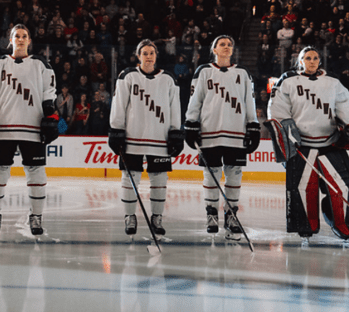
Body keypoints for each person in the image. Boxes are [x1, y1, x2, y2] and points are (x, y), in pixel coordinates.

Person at [266, 46, 349, 242]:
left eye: (315, 58)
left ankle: (345, 223)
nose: (312, 61)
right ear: (300, 61)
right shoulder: (287, 81)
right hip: (302, 146)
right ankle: (306, 224)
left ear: (319, 61)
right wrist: (287, 135)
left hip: (330, 144)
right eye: (307, 58)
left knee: (343, 187)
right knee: (305, 188)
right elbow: (277, 108)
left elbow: (346, 104)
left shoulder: (332, 82)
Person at [0, 24, 58, 236]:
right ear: (10, 40)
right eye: (17, 36)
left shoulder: (41, 64)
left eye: (24, 36)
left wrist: (51, 115)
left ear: (29, 40)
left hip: (32, 127)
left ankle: (36, 217)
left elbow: (48, 93)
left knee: (36, 174)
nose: (21, 39)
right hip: (3, 127)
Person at [184, 35, 260, 240]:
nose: (226, 48)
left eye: (229, 45)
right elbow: (195, 99)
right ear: (214, 49)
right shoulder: (204, 71)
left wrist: (253, 125)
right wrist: (191, 122)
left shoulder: (243, 73)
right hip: (209, 131)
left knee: (234, 174)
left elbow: (249, 101)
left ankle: (231, 215)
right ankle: (211, 214)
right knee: (211, 173)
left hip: (236, 132)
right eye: (222, 45)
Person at [108, 40, 184, 237]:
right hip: (133, 137)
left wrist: (176, 132)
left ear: (156, 55)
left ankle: (156, 217)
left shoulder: (168, 78)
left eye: (151, 53)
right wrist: (116, 130)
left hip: (160, 138)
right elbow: (119, 105)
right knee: (129, 178)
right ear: (138, 56)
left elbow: (175, 106)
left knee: (159, 180)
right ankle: (129, 216)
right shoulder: (127, 76)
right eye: (144, 53)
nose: (148, 56)